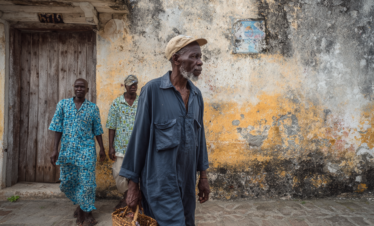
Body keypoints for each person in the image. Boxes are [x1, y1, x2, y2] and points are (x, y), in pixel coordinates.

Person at [119, 35, 210, 226]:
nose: (200, 62)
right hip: (160, 184)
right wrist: (133, 185)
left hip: (187, 184)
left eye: (200, 57)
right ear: (176, 59)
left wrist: (203, 177)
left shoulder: (196, 95)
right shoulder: (152, 90)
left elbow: (199, 138)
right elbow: (139, 138)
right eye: (194, 56)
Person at [49, 78, 105, 226]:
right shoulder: (63, 105)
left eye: (82, 87)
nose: (79, 89)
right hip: (68, 151)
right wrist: (55, 149)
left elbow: (97, 130)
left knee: (87, 182)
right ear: (74, 88)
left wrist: (102, 149)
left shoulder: (92, 108)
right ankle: (81, 205)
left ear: (87, 90)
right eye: (77, 86)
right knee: (68, 181)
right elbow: (57, 128)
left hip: (86, 150)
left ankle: (87, 213)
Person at [106, 75, 139, 210]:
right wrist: (111, 147)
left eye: (135, 84)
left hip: (138, 146)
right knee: (119, 173)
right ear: (124, 86)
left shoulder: (141, 102)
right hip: (120, 146)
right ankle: (126, 196)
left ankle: (133, 199)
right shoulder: (117, 103)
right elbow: (111, 126)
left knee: (137, 174)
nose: (133, 86)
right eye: (130, 84)